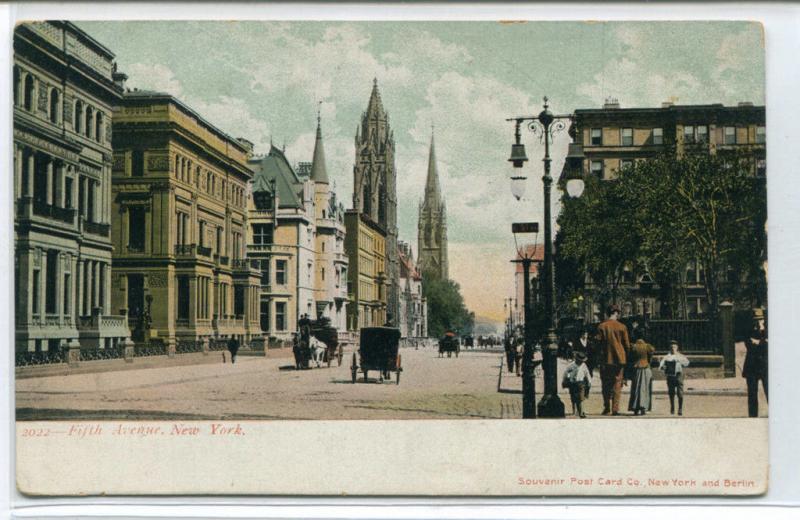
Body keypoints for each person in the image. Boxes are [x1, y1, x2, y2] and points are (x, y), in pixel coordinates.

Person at [596, 304, 630, 416]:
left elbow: (598, 344)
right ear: (616, 313)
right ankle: (615, 409)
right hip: (619, 360)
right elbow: (627, 345)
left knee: (605, 383)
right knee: (617, 383)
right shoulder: (622, 327)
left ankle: (606, 408)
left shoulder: (602, 326)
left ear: (607, 313)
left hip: (606, 359)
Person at [743, 308, 768, 418]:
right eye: (756, 320)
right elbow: (749, 345)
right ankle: (752, 417)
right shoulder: (748, 331)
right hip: (751, 367)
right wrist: (763, 342)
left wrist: (759, 341)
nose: (758, 322)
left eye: (760, 319)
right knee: (752, 394)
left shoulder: (768, 331)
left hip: (765, 367)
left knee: (770, 392)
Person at [659, 340, 690, 415]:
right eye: (671, 347)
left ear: (677, 348)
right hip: (670, 376)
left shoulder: (680, 356)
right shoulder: (666, 357)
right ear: (669, 348)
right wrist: (663, 367)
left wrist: (679, 361)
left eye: (674, 347)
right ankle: (672, 407)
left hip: (678, 375)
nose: (673, 348)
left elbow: (687, 363)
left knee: (680, 393)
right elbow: (660, 366)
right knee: (671, 393)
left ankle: (680, 408)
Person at [627, 338, 655, 415]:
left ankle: (635, 407)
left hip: (637, 368)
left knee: (635, 388)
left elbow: (631, 358)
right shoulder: (648, 346)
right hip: (646, 368)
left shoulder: (633, 347)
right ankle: (643, 407)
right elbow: (651, 355)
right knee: (645, 388)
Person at [562, 351, 592, 418]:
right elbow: (566, 374)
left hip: (581, 383)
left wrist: (589, 381)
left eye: (582, 361)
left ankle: (581, 412)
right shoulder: (571, 365)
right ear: (576, 359)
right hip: (573, 384)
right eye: (580, 361)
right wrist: (566, 379)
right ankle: (574, 412)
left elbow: (587, 374)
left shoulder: (584, 366)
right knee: (574, 398)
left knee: (581, 398)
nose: (581, 362)